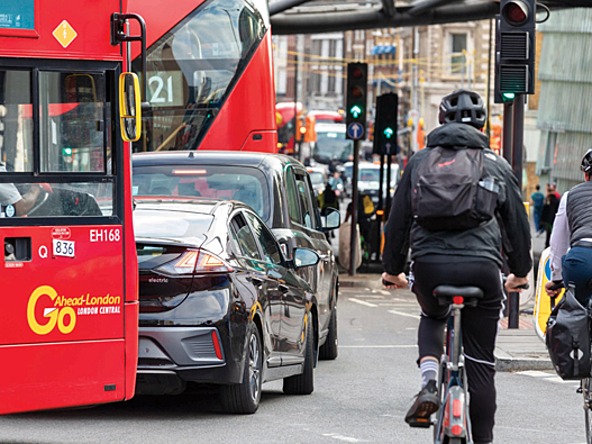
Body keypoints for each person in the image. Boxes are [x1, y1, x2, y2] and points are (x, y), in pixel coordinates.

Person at [381, 89, 532, 444]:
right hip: (481, 268)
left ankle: (430, 380)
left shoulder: (419, 161)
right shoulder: (495, 164)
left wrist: (392, 269)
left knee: (432, 316)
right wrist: (519, 272)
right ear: (483, 125)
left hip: (430, 266)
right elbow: (517, 225)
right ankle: (483, 440)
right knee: (481, 364)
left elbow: (398, 220)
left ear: (440, 121)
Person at [545, 149, 592, 305]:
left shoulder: (569, 196)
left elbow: (558, 241)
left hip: (580, 259)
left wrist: (556, 278)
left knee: (577, 311)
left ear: (586, 176)